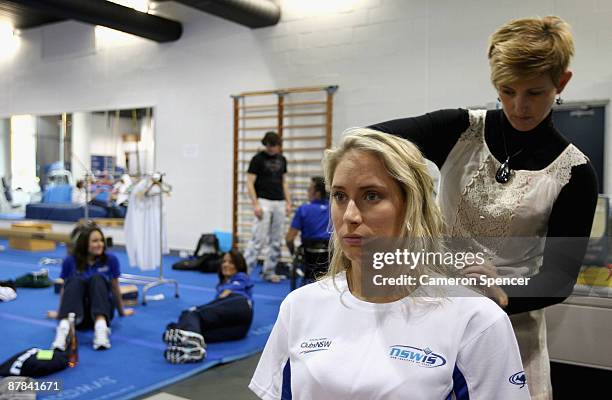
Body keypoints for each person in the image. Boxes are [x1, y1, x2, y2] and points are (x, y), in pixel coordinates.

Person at [369, 16, 598, 400]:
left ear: (562, 83)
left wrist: (504, 291)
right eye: (506, 91)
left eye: (535, 93)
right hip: (434, 317)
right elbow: (368, 140)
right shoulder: (458, 130)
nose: (518, 106)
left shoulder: (574, 173)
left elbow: (559, 278)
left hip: (511, 329)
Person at [249, 129, 529, 399]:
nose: (350, 215)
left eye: (371, 196)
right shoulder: (300, 306)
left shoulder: (475, 320)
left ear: (412, 206)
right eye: (339, 196)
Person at [51, 224, 134, 351]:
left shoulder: (110, 259)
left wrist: (122, 311)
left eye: (101, 240)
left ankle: (101, 329)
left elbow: (115, 287)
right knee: (74, 281)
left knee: (98, 279)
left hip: (102, 312)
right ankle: (63, 329)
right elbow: (65, 289)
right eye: (95, 241)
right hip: (78, 315)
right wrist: (60, 313)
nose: (100, 244)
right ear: (84, 244)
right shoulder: (70, 261)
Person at [163, 249, 254, 364]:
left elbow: (227, 293)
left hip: (239, 304)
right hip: (241, 329)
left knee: (190, 314)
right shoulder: (224, 284)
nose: (226, 265)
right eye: (224, 262)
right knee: (202, 333)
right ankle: (194, 349)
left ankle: (187, 337)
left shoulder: (241, 277)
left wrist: (227, 291)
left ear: (239, 265)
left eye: (231, 262)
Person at [244, 131, 292, 283]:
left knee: (276, 240)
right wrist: (255, 204)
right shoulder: (257, 159)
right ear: (265, 145)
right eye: (269, 145)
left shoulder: (282, 159)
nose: (271, 148)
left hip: (279, 201)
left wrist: (288, 202)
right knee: (258, 238)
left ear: (279, 145)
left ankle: (269, 271)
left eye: (274, 145)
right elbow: (250, 182)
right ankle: (244, 272)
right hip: (263, 201)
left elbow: (284, 182)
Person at [285, 176, 331, 284]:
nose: (307, 192)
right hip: (330, 255)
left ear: (317, 193)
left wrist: (293, 253)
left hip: (310, 255)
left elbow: (289, 239)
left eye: (309, 189)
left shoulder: (303, 209)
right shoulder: (334, 208)